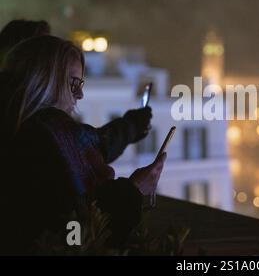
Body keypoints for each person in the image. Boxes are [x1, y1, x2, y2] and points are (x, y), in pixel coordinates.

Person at [0, 35, 166, 254]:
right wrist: (134, 189)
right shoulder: (48, 138)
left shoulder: (21, 127)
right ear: (45, 80)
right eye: (73, 83)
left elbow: (99, 142)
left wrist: (132, 125)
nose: (80, 94)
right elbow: (72, 231)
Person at [0, 19, 151, 165]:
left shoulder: (25, 126)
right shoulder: (45, 136)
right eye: (45, 47)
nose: (79, 95)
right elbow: (89, 150)